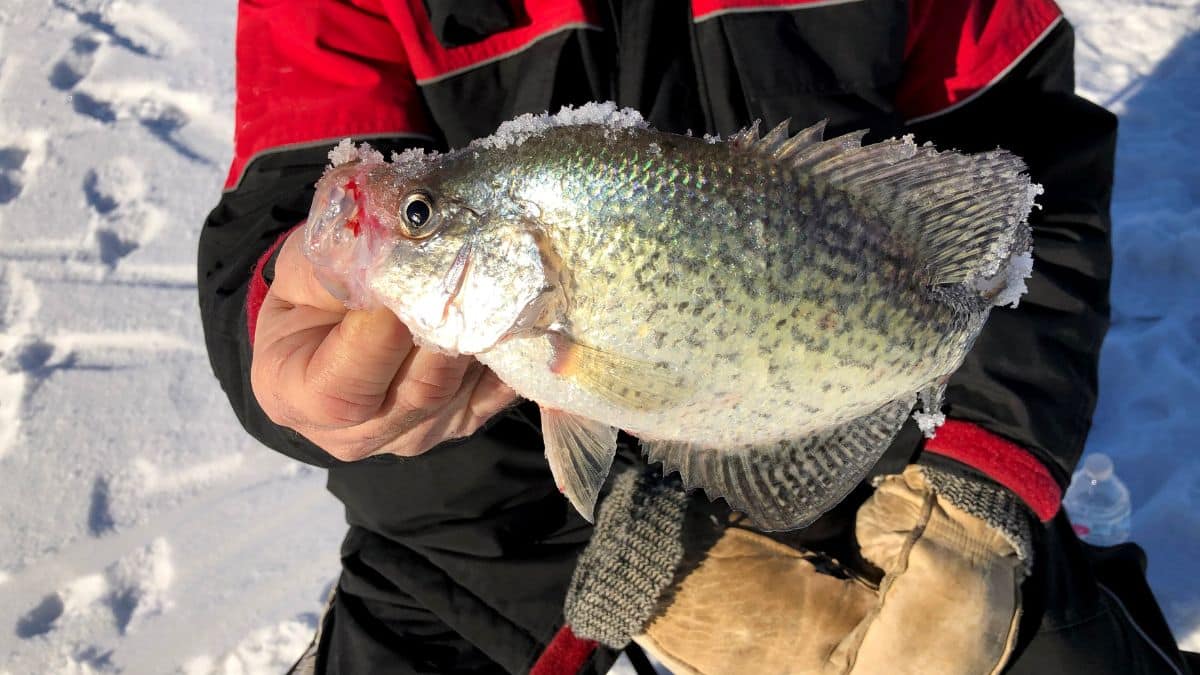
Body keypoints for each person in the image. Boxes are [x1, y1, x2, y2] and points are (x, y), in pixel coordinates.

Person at [198, 1, 1197, 673]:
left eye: (421, 222)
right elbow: (285, 210)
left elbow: (1025, 197)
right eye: (423, 219)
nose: (397, 231)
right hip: (479, 548)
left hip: (878, 493)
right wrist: (281, 322)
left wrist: (982, 472)